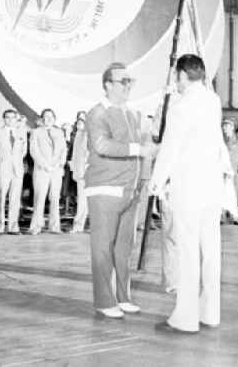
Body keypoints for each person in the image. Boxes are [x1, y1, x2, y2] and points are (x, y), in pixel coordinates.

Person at [147, 54, 231, 333]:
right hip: (212, 187)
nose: (176, 82)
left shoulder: (180, 106)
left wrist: (156, 181)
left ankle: (185, 317)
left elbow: (170, 146)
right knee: (211, 250)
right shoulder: (213, 101)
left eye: (177, 76)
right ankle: (210, 312)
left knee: (186, 251)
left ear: (182, 75)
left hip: (188, 186)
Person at [85, 62, 152, 319]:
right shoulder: (97, 113)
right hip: (105, 189)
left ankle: (123, 297)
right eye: (122, 81)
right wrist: (138, 149)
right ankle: (104, 300)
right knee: (103, 246)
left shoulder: (135, 114)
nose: (127, 86)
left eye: (129, 81)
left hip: (130, 190)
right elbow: (102, 145)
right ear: (107, 85)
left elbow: (147, 144)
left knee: (124, 247)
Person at [29, 108, 67, 235]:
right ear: (42, 119)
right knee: (39, 198)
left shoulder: (59, 132)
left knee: (55, 198)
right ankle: (36, 226)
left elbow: (63, 150)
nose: (49, 119)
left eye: (51, 116)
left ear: (54, 119)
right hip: (41, 170)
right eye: (46, 116)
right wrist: (45, 165)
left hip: (56, 170)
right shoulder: (36, 132)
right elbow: (34, 151)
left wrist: (59, 164)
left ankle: (55, 226)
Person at [0, 109, 28, 235]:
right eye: (7, 117)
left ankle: (13, 226)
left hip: (17, 170)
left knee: (15, 199)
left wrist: (17, 162)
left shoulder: (21, 132)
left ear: (16, 119)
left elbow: (24, 151)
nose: (10, 120)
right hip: (3, 169)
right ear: (3, 119)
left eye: (13, 117)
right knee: (0, 198)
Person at [69, 116, 89, 233]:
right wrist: (75, 169)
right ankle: (78, 226)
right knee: (82, 200)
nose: (79, 124)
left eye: (82, 122)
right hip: (81, 173)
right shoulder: (78, 135)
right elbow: (75, 155)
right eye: (78, 122)